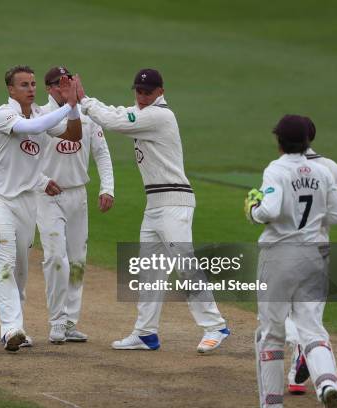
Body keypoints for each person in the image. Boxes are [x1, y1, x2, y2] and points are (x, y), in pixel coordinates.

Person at [74, 69, 229, 352]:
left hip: (175, 201)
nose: (142, 97)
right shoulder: (142, 111)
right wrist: (88, 102)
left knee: (184, 263)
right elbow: (117, 111)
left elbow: (116, 121)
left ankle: (215, 326)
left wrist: (84, 99)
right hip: (155, 204)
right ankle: (146, 333)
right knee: (150, 270)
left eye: (147, 92)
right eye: (139, 91)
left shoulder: (160, 116)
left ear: (161, 91)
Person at [246, 114, 337, 408]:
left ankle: (273, 403)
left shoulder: (275, 170)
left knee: (271, 333)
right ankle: (327, 383)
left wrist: (254, 209)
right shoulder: (322, 172)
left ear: (279, 141)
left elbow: (270, 210)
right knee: (312, 328)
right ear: (306, 142)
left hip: (278, 257)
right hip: (314, 256)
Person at [0, 65, 81, 352]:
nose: (31, 89)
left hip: (27, 201)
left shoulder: (41, 114)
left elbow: (74, 136)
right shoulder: (3, 115)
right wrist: (70, 105)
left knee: (20, 270)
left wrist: (72, 110)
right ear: (11, 90)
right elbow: (30, 129)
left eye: (34, 84)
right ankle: (10, 329)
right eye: (24, 85)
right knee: (4, 264)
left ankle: (18, 327)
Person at [37, 66, 114, 344]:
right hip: (48, 196)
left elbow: (102, 154)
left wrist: (108, 188)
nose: (64, 86)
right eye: (59, 84)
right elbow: (26, 158)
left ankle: (70, 322)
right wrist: (42, 180)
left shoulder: (86, 114)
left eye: (68, 81)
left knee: (77, 261)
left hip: (77, 193)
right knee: (56, 258)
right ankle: (56, 321)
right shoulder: (40, 115)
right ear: (49, 88)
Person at [285, 117, 337, 395]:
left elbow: (270, 211)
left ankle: (302, 348)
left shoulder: (281, 169)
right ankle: (299, 374)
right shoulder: (330, 167)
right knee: (309, 317)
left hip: (286, 250)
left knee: (278, 313)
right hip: (319, 250)